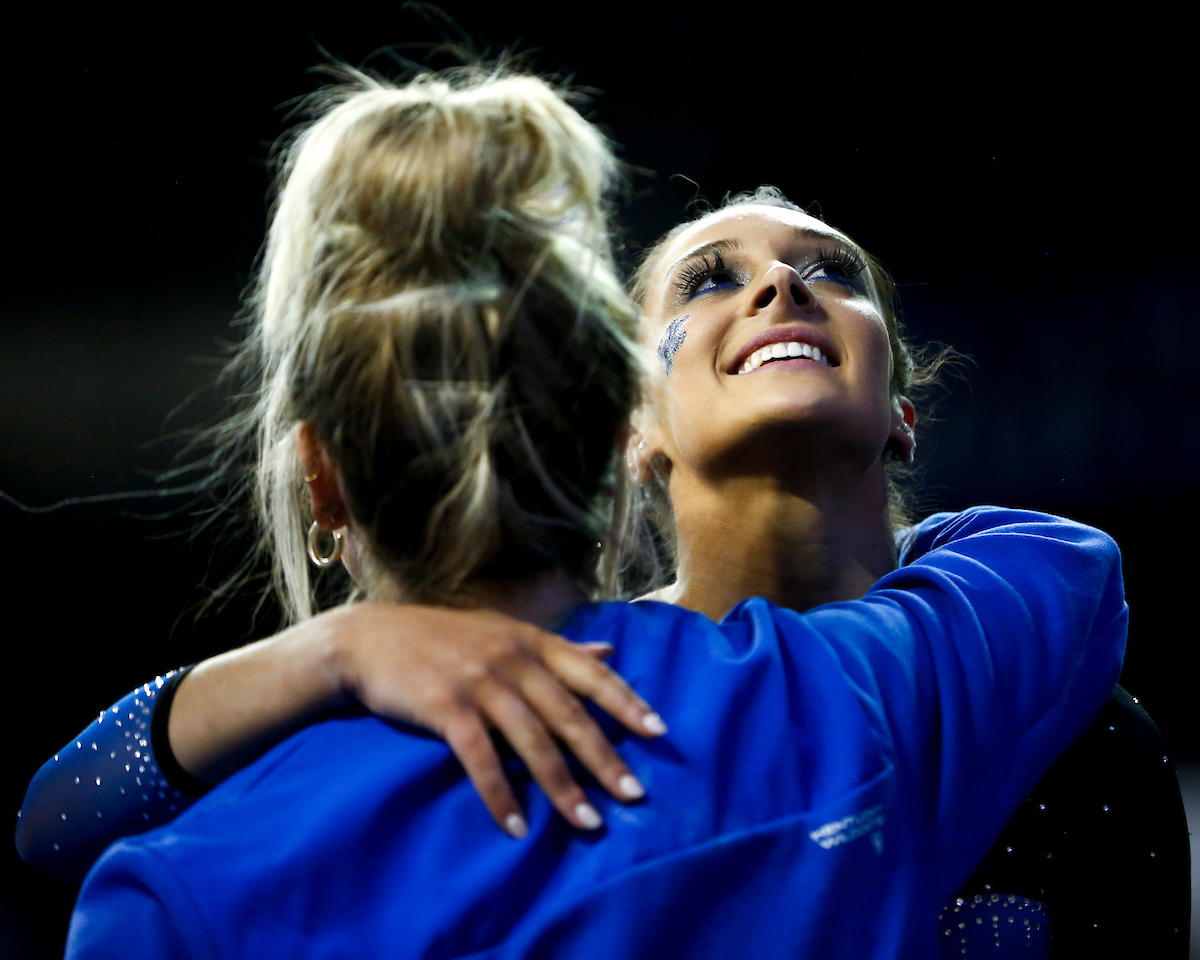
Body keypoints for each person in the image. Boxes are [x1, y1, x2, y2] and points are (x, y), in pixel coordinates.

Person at [27, 65, 1132, 958]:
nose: (780, 290)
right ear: (623, 434)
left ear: (320, 479)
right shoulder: (846, 700)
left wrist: (328, 653)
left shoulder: (189, 882)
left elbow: (51, 828)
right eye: (705, 279)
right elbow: (1065, 565)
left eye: (829, 269)